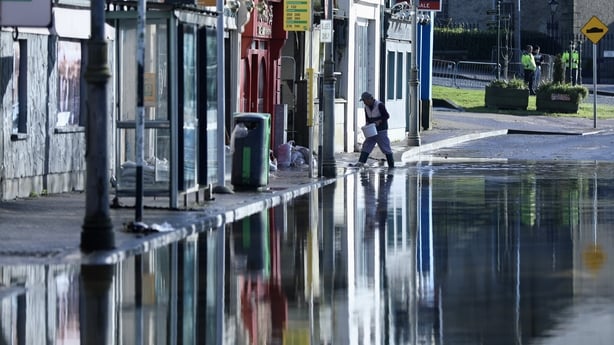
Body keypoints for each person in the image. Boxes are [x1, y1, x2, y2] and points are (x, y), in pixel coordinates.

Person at [351, 92, 395, 168]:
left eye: (365, 100)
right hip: (371, 130)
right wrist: (367, 124)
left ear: (370, 99)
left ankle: (391, 165)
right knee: (366, 145)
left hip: (381, 130)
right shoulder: (366, 107)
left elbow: (386, 116)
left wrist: (379, 121)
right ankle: (361, 162)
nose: (364, 102)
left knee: (385, 147)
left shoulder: (379, 105)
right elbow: (367, 118)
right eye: (363, 101)